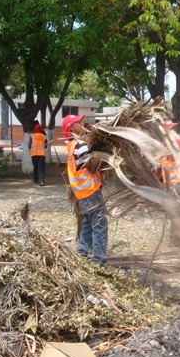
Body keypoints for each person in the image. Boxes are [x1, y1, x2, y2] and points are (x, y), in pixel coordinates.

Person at [62, 114, 108, 266]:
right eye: (78, 123)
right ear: (71, 128)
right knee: (100, 225)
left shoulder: (70, 145)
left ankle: (82, 253)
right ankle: (97, 260)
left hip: (81, 193)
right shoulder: (80, 146)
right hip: (90, 191)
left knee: (87, 223)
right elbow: (92, 164)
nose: (82, 124)